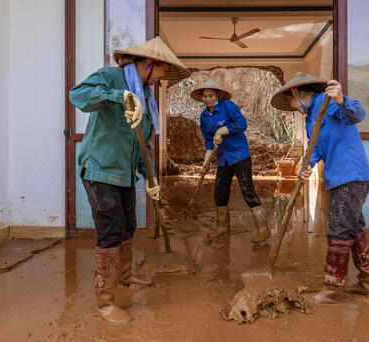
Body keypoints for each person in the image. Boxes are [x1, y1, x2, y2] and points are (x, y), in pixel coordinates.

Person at [69, 37, 190, 323]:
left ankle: (124, 277)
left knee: (129, 226)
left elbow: (141, 144)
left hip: (123, 172)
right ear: (152, 64)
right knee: (111, 231)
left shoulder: (147, 96)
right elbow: (78, 96)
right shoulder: (110, 78)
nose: (162, 78)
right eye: (162, 71)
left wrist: (150, 178)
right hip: (99, 168)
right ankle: (105, 303)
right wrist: (118, 96)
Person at [270, 72, 369, 303]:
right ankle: (367, 283)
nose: (292, 107)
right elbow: (315, 148)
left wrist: (341, 100)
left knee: (338, 230)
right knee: (354, 228)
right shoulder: (311, 118)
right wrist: (304, 165)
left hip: (351, 175)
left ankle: (331, 290)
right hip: (341, 178)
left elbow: (357, 114)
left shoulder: (329, 103)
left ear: (296, 93)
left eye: (290, 102)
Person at [190, 79, 270, 243]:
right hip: (223, 159)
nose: (207, 99)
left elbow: (242, 124)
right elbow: (208, 139)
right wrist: (207, 157)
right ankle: (222, 227)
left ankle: (264, 229)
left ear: (218, 95)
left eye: (211, 95)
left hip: (240, 155)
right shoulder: (204, 116)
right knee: (219, 192)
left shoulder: (228, 106)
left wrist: (224, 129)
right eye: (204, 96)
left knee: (248, 190)